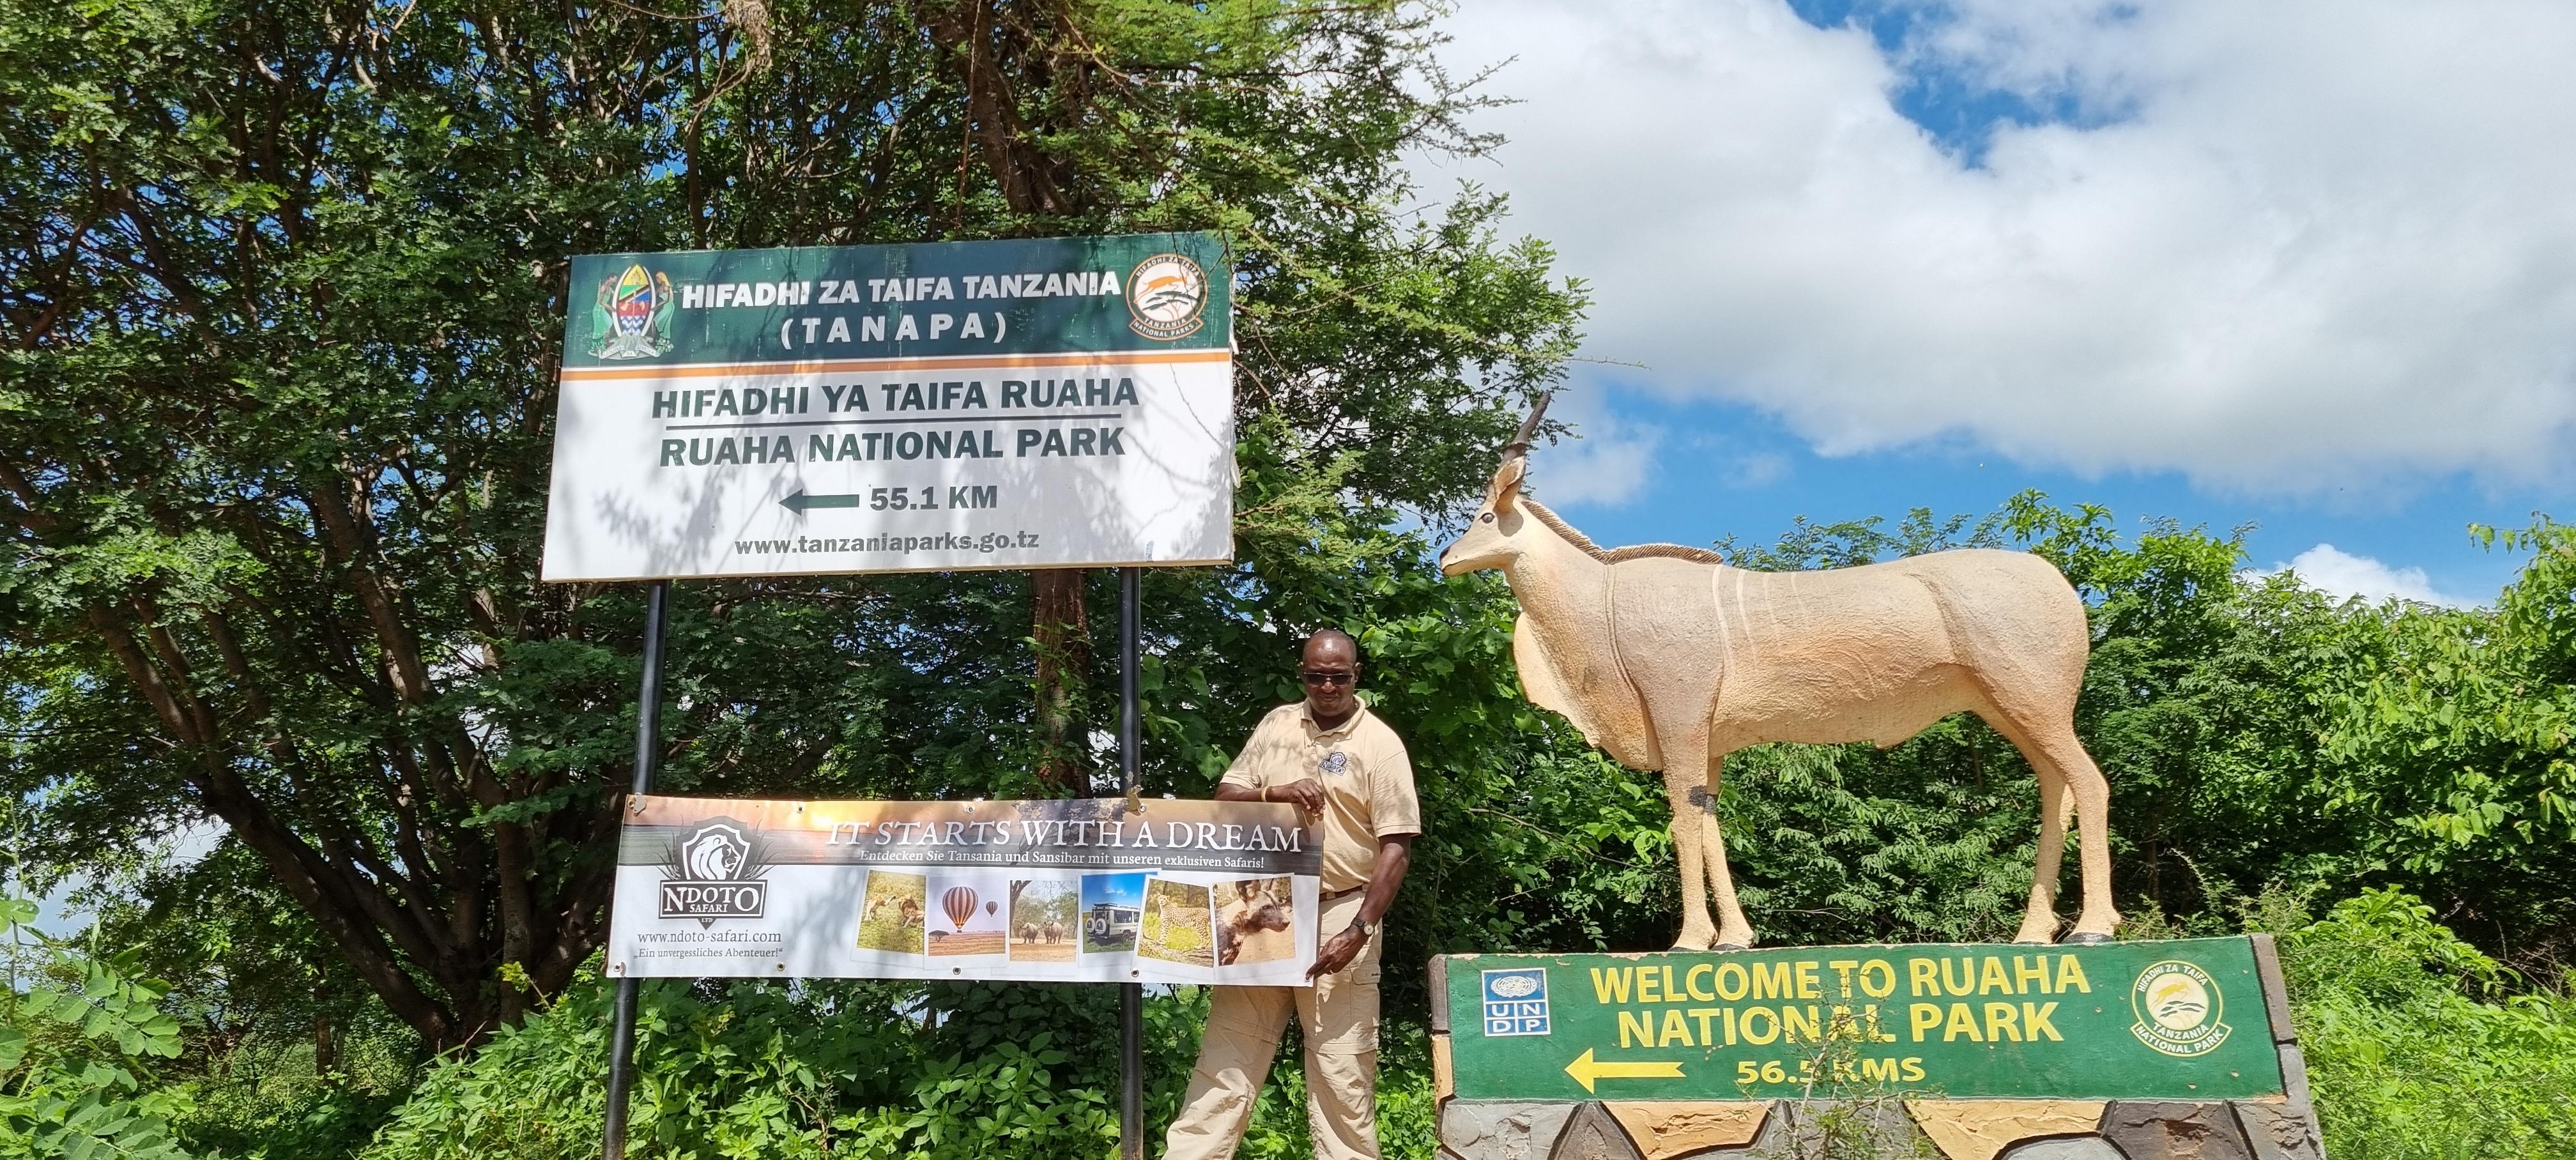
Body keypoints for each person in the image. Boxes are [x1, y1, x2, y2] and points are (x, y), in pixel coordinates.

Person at [1162, 629, 1420, 1160]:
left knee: (1341, 1071)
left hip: (1340, 913)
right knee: (1226, 1059)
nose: (1327, 686)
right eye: (1316, 675)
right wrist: (1271, 793)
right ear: (1302, 673)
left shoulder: (1381, 744)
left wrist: (1360, 928)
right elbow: (1226, 798)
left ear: (1356, 674)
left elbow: (1397, 848)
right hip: (1264, 912)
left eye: (1338, 676)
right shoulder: (1278, 724)